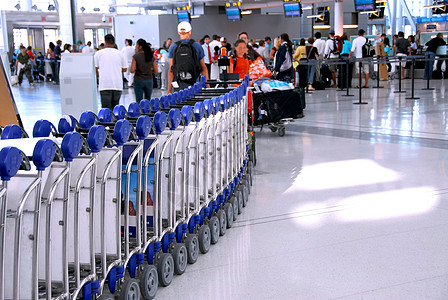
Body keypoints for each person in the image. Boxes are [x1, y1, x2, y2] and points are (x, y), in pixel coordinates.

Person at [168, 22, 208, 93]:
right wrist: (207, 86)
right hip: (195, 84)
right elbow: (203, 67)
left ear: (178, 32)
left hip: (179, 85)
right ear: (190, 32)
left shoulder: (173, 47)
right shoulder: (197, 46)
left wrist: (169, 90)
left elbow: (171, 70)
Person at [94, 34, 128, 110]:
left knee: (106, 110)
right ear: (114, 42)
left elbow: (95, 68)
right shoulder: (120, 54)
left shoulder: (98, 53)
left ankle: (107, 122)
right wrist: (116, 68)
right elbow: (125, 69)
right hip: (117, 84)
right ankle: (116, 122)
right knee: (115, 108)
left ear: (105, 42)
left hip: (104, 84)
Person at [130, 38, 158, 103]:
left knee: (139, 101)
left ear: (140, 46)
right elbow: (156, 71)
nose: (136, 47)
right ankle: (147, 112)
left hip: (138, 80)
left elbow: (132, 70)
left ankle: (140, 112)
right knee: (148, 100)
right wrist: (149, 70)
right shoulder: (151, 56)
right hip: (149, 80)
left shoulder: (135, 56)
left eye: (137, 45)